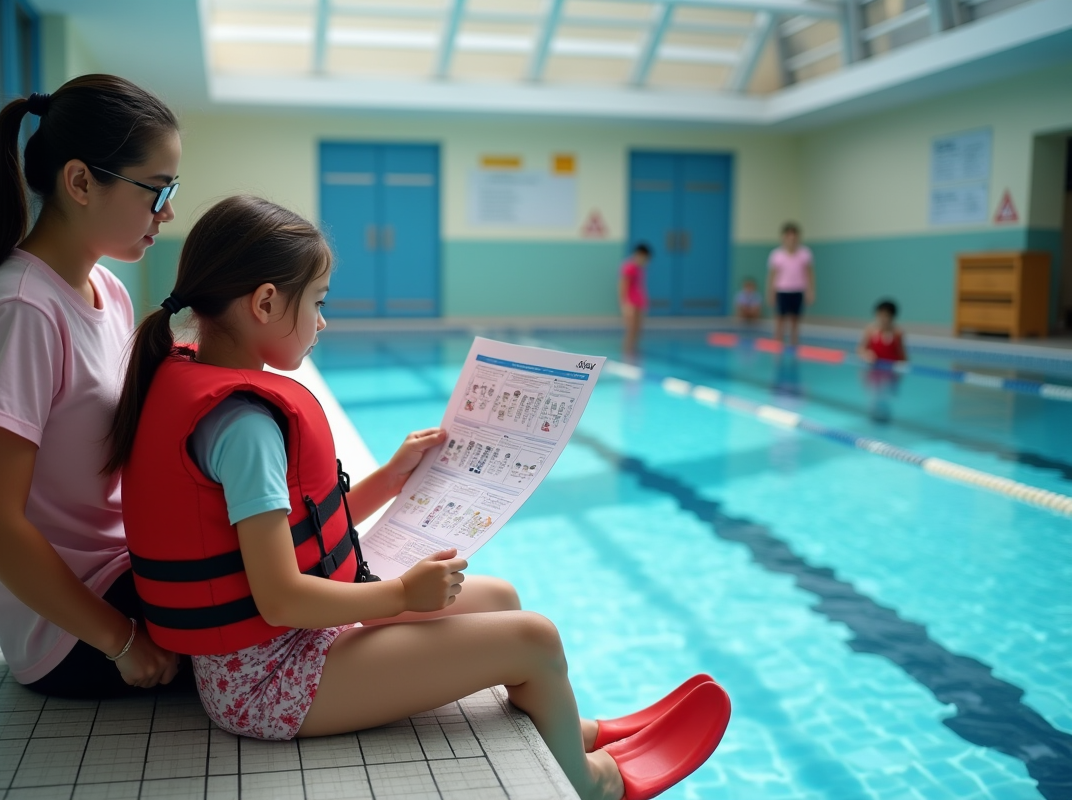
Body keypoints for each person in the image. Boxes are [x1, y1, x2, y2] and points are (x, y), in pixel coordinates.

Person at [108, 196, 731, 800]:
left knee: (500, 598)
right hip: (269, 682)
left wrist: (390, 478)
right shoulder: (246, 428)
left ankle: (574, 730)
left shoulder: (199, 380)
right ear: (266, 302)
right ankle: (590, 784)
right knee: (534, 638)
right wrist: (402, 595)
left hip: (285, 645)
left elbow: (295, 541)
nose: (323, 322)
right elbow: (281, 597)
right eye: (318, 302)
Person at [0, 75, 188, 698]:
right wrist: (120, 640)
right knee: (284, 610)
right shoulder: (23, 312)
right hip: (73, 626)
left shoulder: (108, 292)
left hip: (123, 569)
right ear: (80, 182)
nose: (168, 212)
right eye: (157, 190)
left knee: (285, 566)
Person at [766, 223, 814, 347]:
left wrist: (810, 291)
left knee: (795, 320)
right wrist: (771, 294)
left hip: (798, 290)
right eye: (788, 235)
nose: (791, 239)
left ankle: (794, 343)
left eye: (794, 235)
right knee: (780, 320)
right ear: (783, 237)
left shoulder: (805, 253)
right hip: (782, 290)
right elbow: (772, 276)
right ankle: (777, 344)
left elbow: (809, 274)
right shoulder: (776, 255)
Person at [619, 243, 650, 356]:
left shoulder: (640, 268)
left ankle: (633, 350)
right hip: (630, 302)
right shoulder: (629, 267)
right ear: (639, 254)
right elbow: (623, 285)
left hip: (639, 301)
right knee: (630, 329)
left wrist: (644, 302)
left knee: (638, 329)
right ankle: (627, 352)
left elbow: (640, 286)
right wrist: (624, 304)